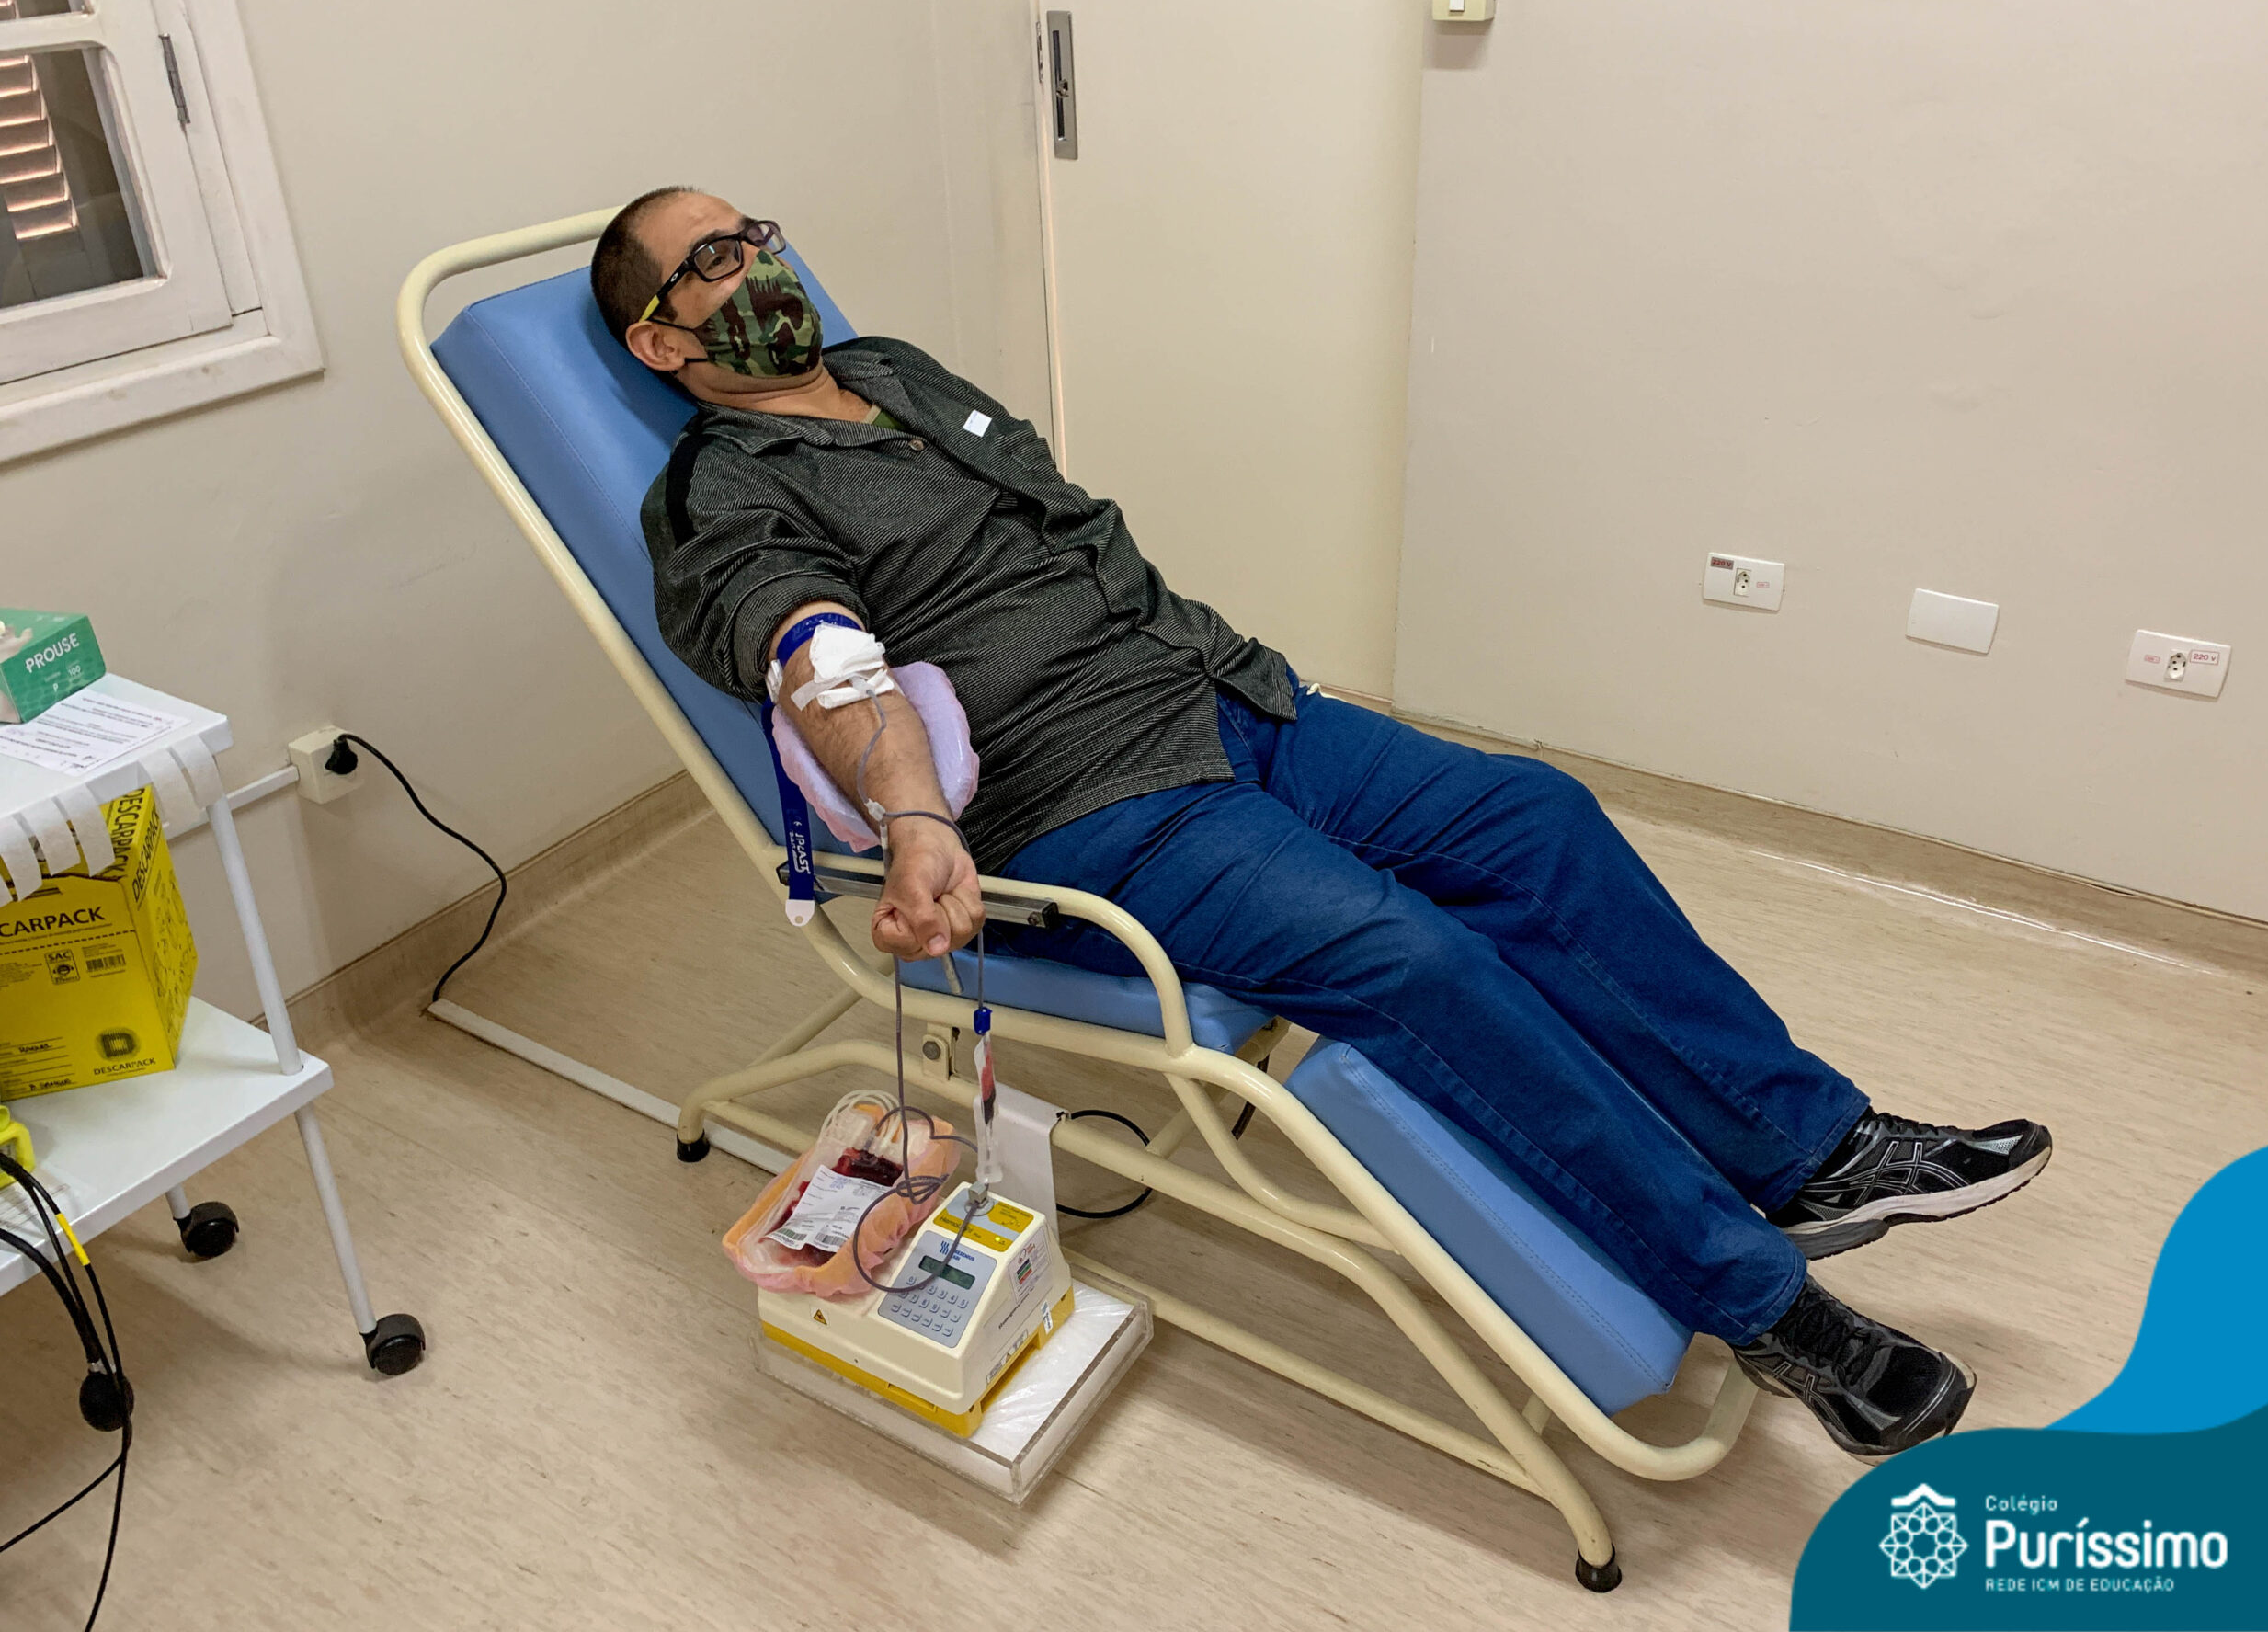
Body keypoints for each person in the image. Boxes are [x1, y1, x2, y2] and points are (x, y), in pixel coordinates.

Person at [596, 187, 2054, 1459]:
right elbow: (825, 662)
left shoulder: (887, 370)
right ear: (661, 344)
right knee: (1414, 961)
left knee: (1536, 820)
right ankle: (1771, 1310)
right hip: (1096, 802)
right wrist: (914, 818)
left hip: (1228, 694)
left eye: (758, 234)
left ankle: (1809, 1148)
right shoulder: (719, 496)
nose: (762, 265)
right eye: (715, 260)